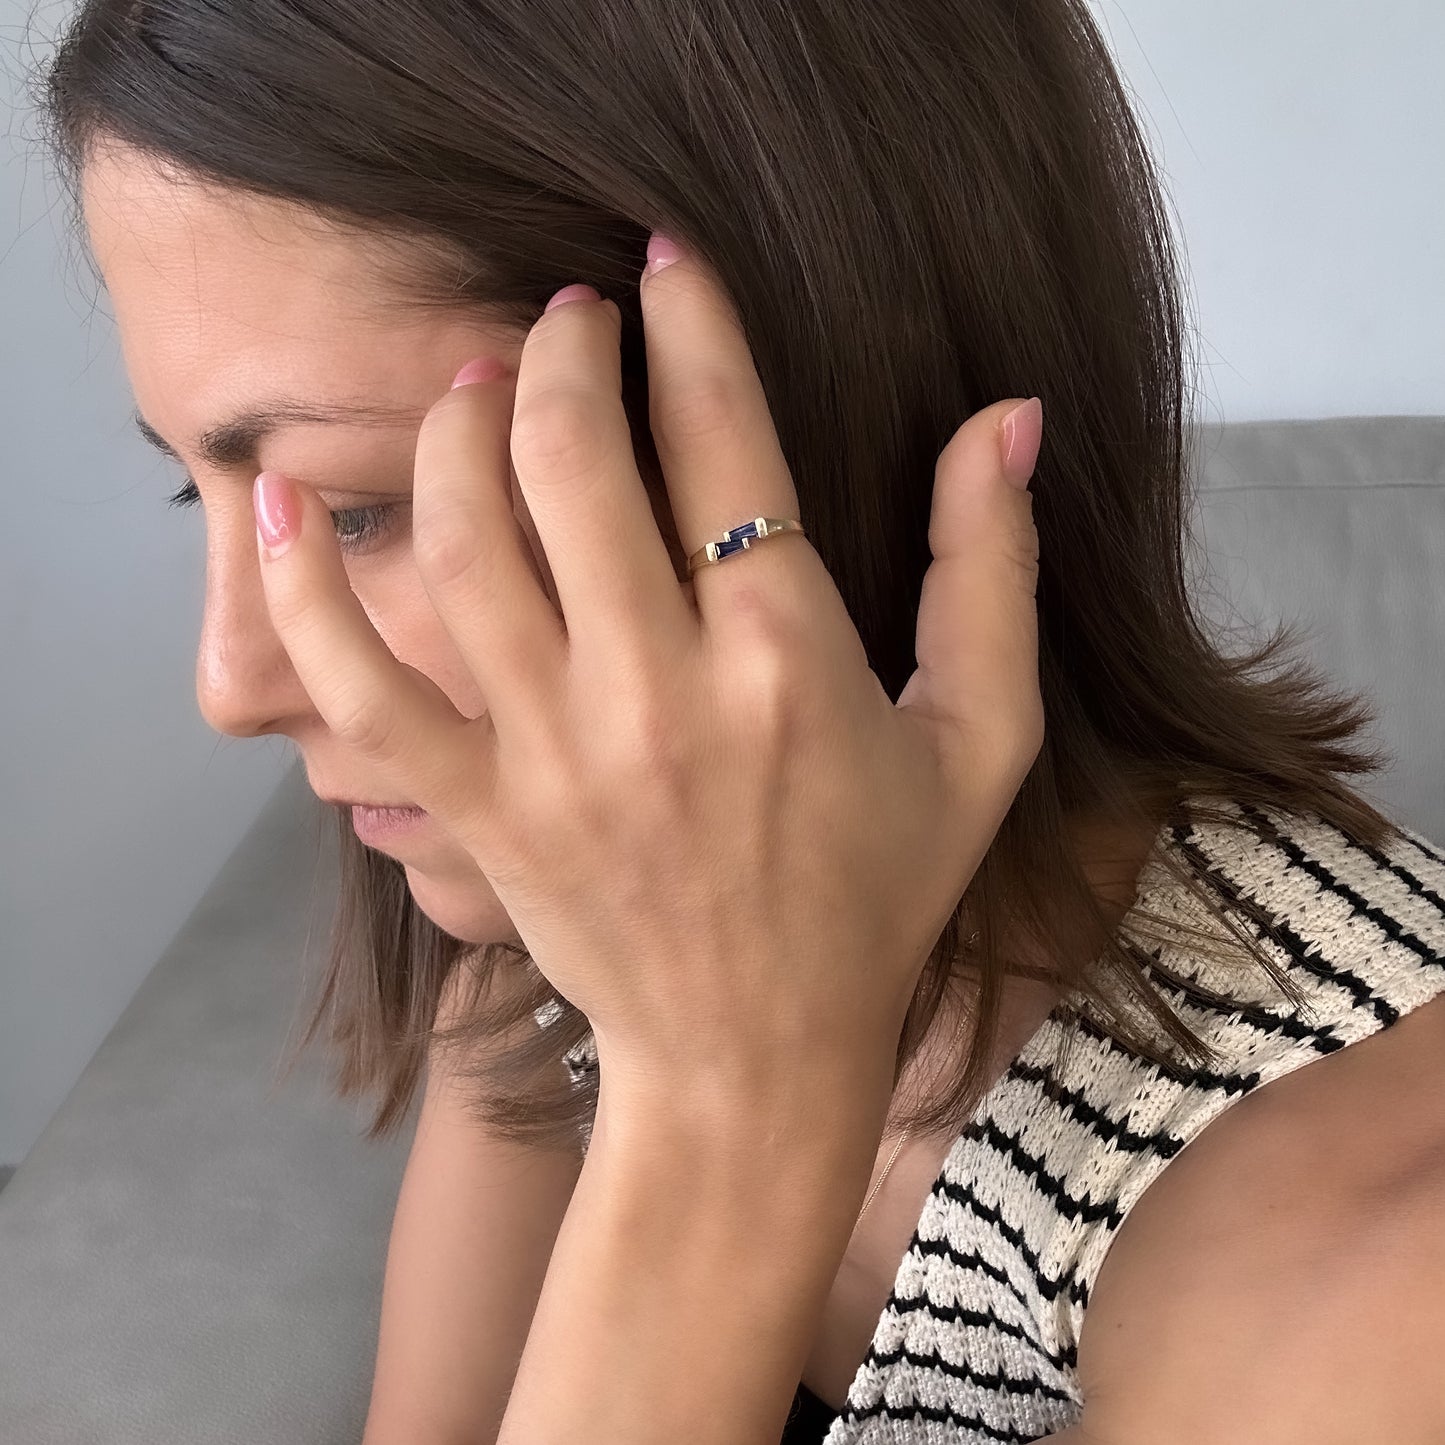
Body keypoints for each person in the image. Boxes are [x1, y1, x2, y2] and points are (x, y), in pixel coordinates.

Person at [36, 1, 1445, 1441]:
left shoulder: (1374, 1304)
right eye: (197, 487)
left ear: (816, 424)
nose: (232, 683)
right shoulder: (564, 918)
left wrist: (726, 1100)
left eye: (355, 509)